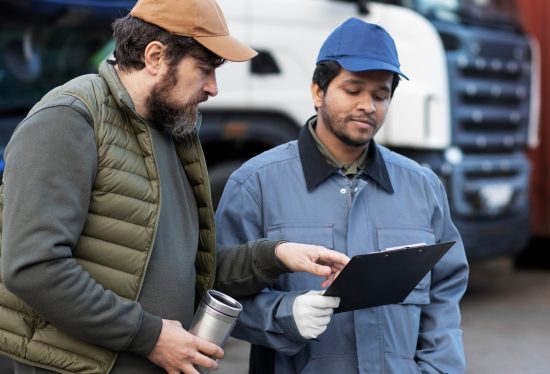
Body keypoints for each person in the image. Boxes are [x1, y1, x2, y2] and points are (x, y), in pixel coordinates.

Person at [0, 0, 350, 373]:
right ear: (155, 56)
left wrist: (275, 256)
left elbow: (187, 268)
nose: (213, 88)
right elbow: (34, 268)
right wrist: (149, 336)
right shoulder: (68, 120)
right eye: (204, 70)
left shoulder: (173, 133)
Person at [215, 17, 470, 374]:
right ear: (318, 91)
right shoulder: (256, 184)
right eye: (353, 90)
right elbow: (219, 292)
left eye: (381, 95)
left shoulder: (422, 187)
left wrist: (440, 368)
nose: (369, 105)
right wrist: (284, 315)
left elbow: (445, 289)